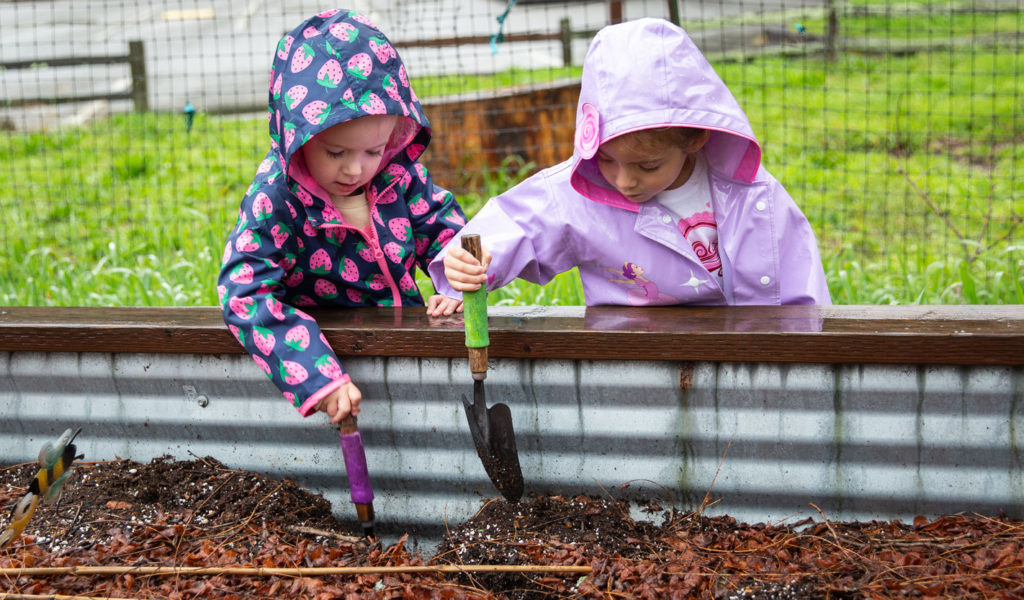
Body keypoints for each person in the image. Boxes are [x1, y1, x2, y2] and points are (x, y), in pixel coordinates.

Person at [427, 17, 830, 312]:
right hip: (636, 362)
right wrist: (465, 267)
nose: (623, 180)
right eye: (605, 159)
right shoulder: (579, 193)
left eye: (648, 166)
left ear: (695, 137)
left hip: (746, 369)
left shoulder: (753, 195)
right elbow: (514, 224)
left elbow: (804, 294)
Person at [218, 9, 467, 424]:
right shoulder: (277, 200)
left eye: (373, 150)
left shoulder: (397, 176)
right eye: (336, 153)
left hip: (403, 351)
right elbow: (245, 292)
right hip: (333, 370)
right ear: (296, 136)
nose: (356, 170)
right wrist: (318, 377)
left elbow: (443, 231)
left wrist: (453, 276)